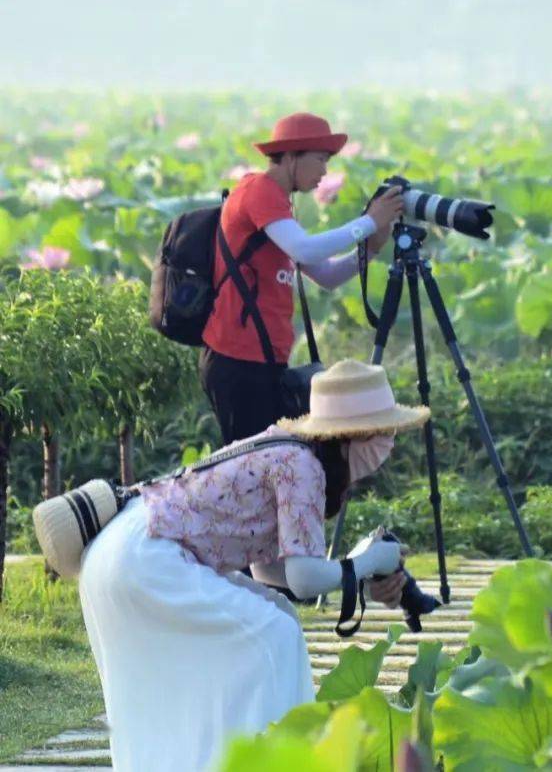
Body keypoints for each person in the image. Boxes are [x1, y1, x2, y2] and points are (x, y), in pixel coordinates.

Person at [77, 360, 430, 771]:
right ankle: (271, 761)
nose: (387, 444)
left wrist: (359, 576)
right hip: (146, 555)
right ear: (358, 434)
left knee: (272, 622)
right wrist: (365, 560)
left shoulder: (290, 451)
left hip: (124, 548)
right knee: (274, 635)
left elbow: (271, 572)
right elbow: (302, 579)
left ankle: (241, 758)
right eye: (384, 432)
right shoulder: (303, 467)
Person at [200, 112, 406, 443]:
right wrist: (368, 222)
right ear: (292, 156)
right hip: (238, 359)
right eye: (321, 159)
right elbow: (307, 250)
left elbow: (324, 275)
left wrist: (368, 252)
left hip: (263, 361)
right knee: (253, 476)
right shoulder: (259, 190)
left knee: (273, 470)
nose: (325, 171)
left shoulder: (279, 203)